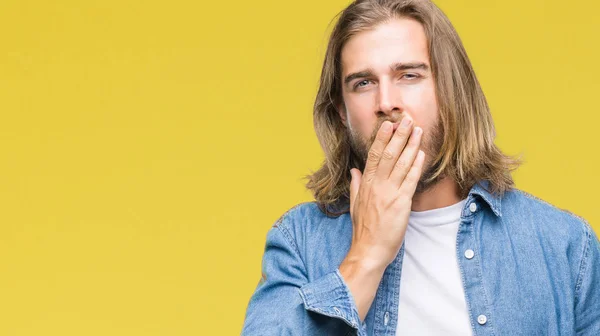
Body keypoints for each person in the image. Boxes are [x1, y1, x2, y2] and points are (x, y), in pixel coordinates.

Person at [241, 0, 600, 335]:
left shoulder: (565, 245)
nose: (386, 103)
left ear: (452, 91)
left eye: (409, 75)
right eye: (363, 83)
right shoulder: (299, 242)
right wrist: (366, 255)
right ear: (341, 111)